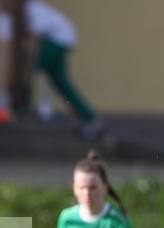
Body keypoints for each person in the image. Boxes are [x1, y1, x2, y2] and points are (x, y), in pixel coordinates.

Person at [18, 0, 103, 138]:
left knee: (27, 71)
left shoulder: (32, 8)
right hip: (63, 40)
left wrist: (27, 67)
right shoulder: (27, 9)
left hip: (58, 40)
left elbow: (35, 40)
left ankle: (22, 112)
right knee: (61, 82)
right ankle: (91, 118)